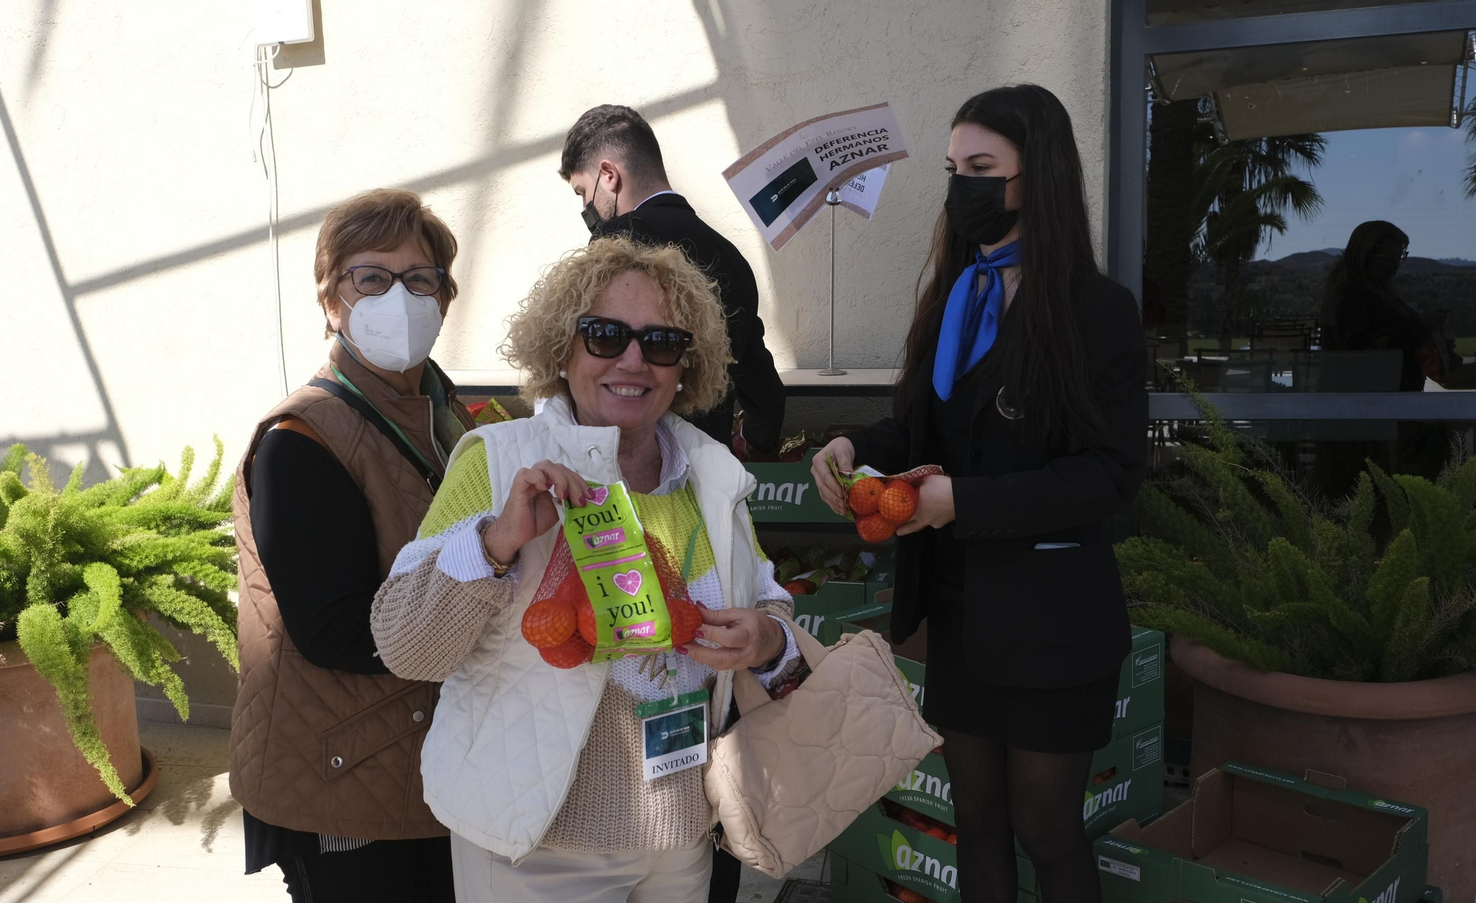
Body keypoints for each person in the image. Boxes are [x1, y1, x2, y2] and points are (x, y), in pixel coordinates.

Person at [369, 237, 802, 903]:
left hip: (680, 837)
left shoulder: (710, 472)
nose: (633, 360)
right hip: (535, 845)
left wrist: (769, 638)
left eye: (660, 342)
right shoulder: (494, 460)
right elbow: (404, 643)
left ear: (685, 366)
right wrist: (495, 542)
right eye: (604, 336)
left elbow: (765, 594)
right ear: (562, 351)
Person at [810, 84, 1147, 903]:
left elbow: (1109, 474)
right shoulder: (954, 295)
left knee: (1047, 829)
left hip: (1054, 622)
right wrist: (858, 444)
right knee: (978, 822)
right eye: (953, 167)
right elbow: (921, 431)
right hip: (961, 614)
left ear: (1039, 177)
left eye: (982, 167)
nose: (961, 184)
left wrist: (966, 502)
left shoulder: (1098, 311)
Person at [229, 189, 474, 902]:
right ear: (332, 300)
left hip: (427, 755)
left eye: (419, 278)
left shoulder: (444, 413)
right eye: (371, 277)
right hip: (343, 770)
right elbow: (335, 630)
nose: (398, 296)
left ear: (444, 297)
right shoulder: (301, 439)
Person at [561, 103, 787, 460]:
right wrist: (756, 435)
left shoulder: (615, 247)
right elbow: (762, 385)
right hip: (708, 473)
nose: (586, 206)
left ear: (608, 175)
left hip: (633, 467)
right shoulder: (733, 258)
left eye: (581, 191)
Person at [1316, 220, 1464, 495]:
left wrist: (1430, 345)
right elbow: (1365, 352)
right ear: (1365, 255)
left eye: (1399, 258)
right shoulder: (1349, 294)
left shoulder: (1378, 292)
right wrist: (1420, 330)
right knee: (1453, 430)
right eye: (1387, 258)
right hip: (1372, 409)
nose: (1394, 265)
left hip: (1388, 404)